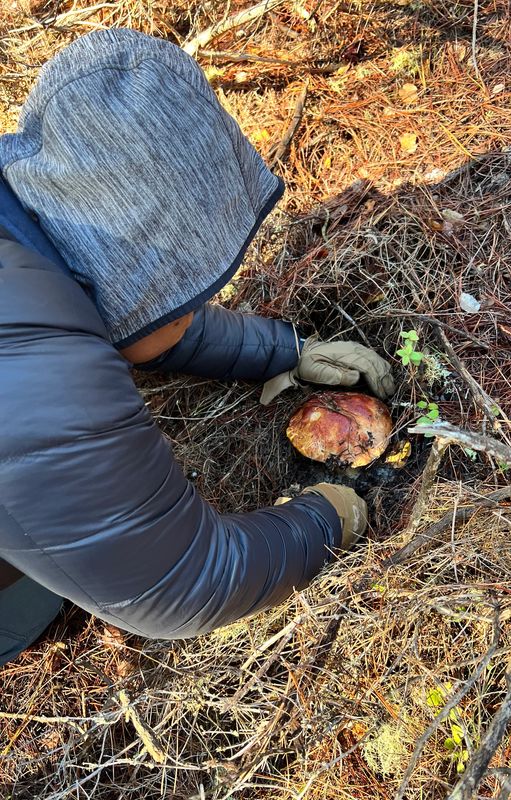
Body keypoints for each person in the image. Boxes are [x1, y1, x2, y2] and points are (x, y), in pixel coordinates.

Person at [0, 29, 394, 666]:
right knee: (30, 602)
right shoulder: (36, 378)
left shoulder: (28, 228)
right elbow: (180, 584)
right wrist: (328, 518)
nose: (195, 311)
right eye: (187, 293)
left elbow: (135, 316)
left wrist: (282, 350)